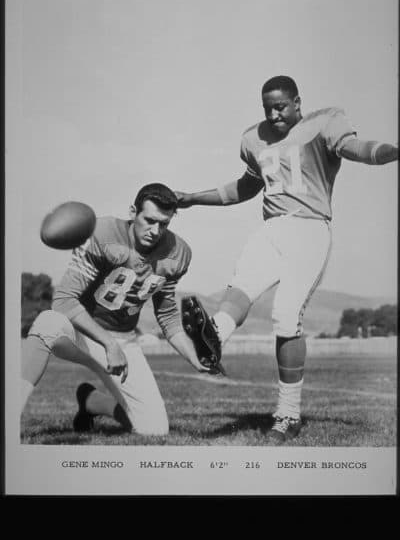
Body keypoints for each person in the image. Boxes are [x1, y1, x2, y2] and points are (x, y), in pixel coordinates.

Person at [176, 75, 398, 445]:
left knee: (284, 316)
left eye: (281, 106)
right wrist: (193, 197)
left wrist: (391, 151)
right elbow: (244, 187)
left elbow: (356, 148)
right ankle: (213, 339)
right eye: (268, 108)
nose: (274, 114)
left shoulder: (324, 123)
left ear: (298, 102)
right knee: (240, 287)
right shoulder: (254, 138)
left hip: (310, 229)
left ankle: (288, 414)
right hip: (272, 228)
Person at [21, 183, 209, 436]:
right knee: (48, 321)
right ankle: (9, 412)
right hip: (79, 332)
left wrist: (193, 357)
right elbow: (64, 301)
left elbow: (166, 315)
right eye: (150, 220)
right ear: (133, 212)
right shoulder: (103, 233)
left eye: (164, 224)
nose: (155, 231)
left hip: (123, 340)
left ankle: (90, 402)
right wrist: (109, 344)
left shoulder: (178, 254)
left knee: (154, 430)